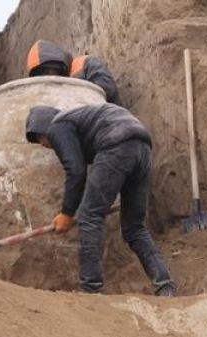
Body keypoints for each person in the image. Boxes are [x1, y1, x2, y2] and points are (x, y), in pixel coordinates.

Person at [25, 103, 176, 296]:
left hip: (116, 144)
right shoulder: (80, 120)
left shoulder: (57, 125)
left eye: (39, 138)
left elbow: (76, 170)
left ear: (42, 126)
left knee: (89, 217)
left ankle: (91, 290)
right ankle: (165, 287)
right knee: (135, 228)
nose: (43, 144)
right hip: (142, 147)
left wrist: (67, 212)